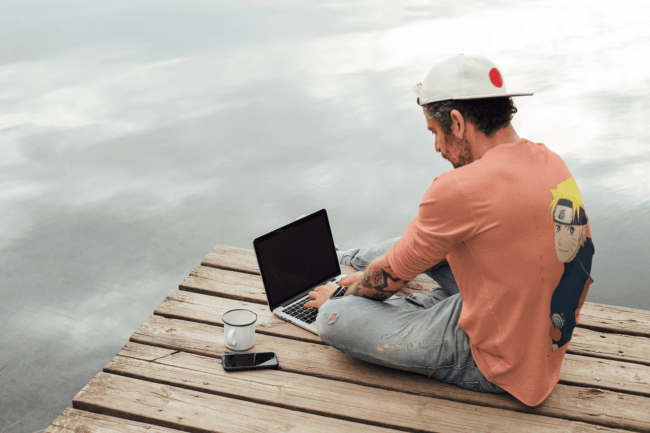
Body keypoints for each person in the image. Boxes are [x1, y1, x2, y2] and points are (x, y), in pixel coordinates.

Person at [303, 54, 595, 407]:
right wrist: (376, 274)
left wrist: (340, 299)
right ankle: (354, 264)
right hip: (536, 326)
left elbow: (390, 278)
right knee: (425, 243)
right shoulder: (550, 161)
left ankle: (360, 284)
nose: (438, 148)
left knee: (336, 320)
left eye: (435, 133)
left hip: (501, 361)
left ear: (456, 122)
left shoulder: (459, 188)